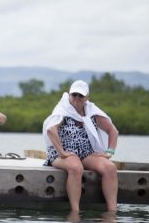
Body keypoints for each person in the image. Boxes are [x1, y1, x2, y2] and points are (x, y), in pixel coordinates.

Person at [42, 80, 119, 212]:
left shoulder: (91, 111)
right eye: (74, 95)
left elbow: (113, 131)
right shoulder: (63, 109)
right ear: (69, 95)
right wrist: (62, 153)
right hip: (63, 153)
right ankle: (75, 211)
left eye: (81, 95)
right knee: (76, 167)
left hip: (86, 153)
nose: (77, 98)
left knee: (110, 168)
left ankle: (112, 212)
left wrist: (109, 152)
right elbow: (51, 130)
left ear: (87, 97)